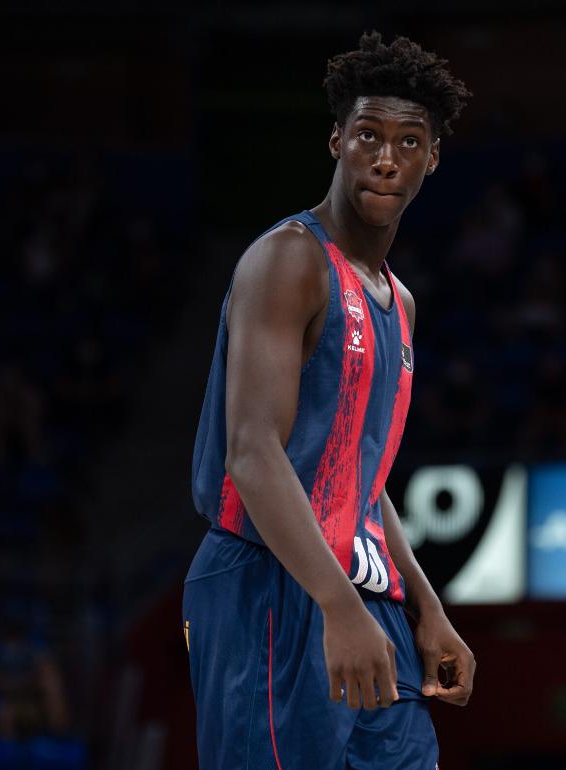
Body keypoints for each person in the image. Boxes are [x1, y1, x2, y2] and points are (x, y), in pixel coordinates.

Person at [184, 32, 474, 770]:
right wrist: (336, 604)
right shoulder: (289, 259)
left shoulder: (399, 302)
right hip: (272, 583)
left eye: (409, 141)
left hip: (363, 596)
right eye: (369, 135)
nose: (386, 157)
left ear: (432, 158)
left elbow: (359, 480)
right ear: (337, 139)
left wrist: (426, 606)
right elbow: (253, 453)